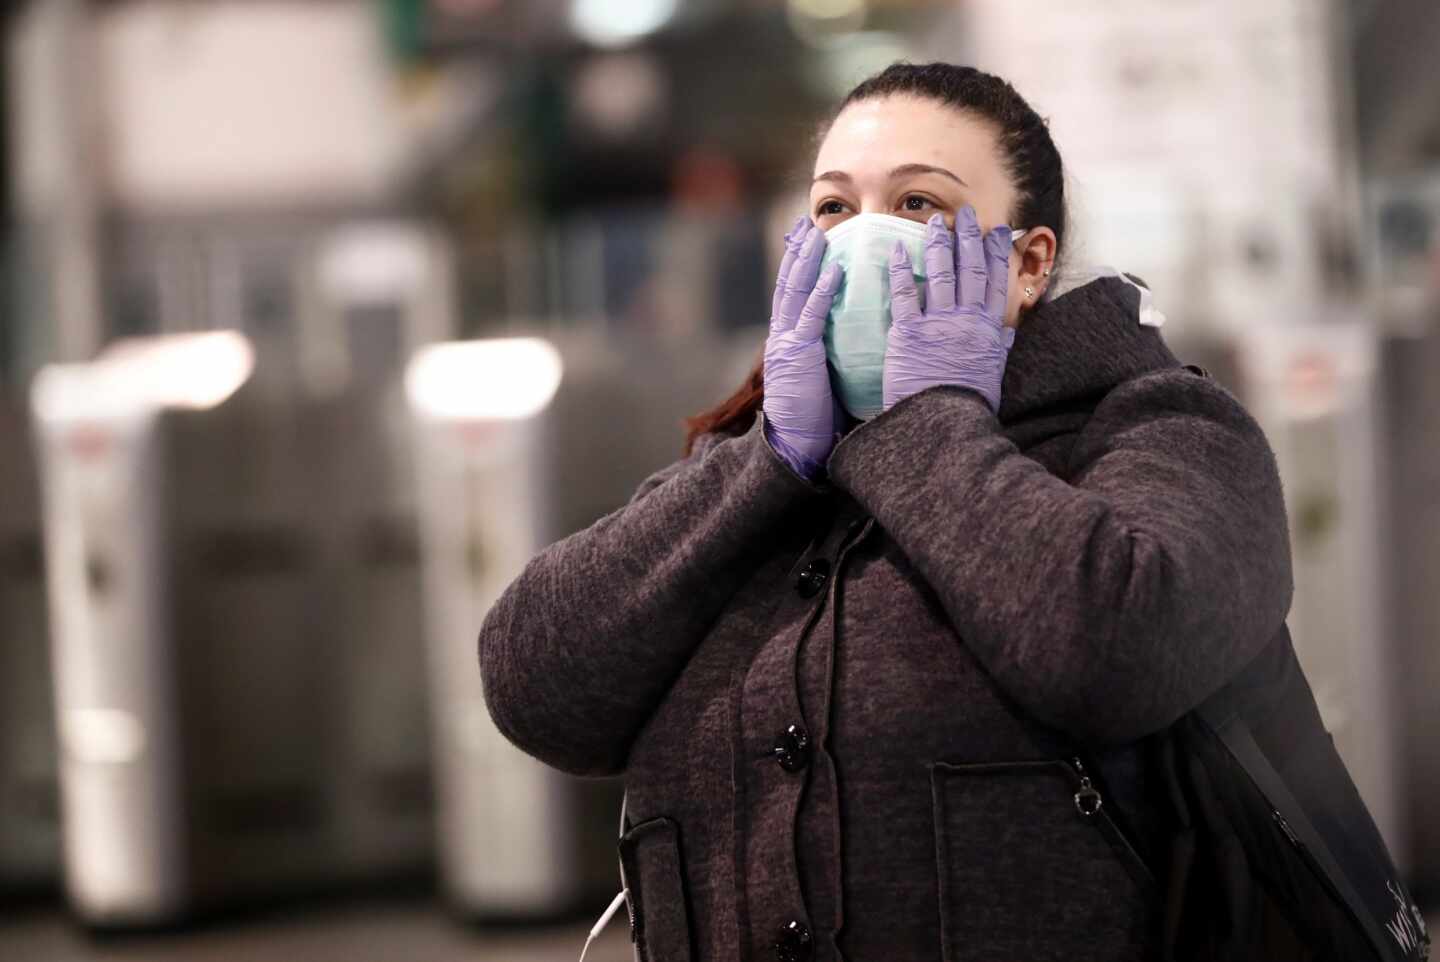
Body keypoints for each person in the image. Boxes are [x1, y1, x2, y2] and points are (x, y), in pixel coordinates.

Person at [478, 62, 1293, 962]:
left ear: (1028, 263)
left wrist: (924, 424)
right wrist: (767, 460)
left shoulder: (1164, 429)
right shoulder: (759, 467)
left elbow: (1115, 648)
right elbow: (533, 684)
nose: (864, 237)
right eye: (834, 209)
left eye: (916, 206)